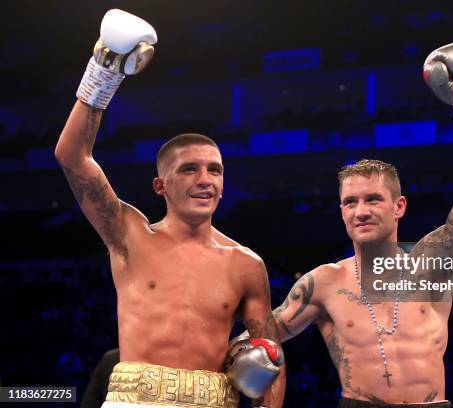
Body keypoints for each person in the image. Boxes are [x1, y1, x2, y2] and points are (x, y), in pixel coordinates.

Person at [55, 9, 284, 408]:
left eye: (215, 170)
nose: (205, 179)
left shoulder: (246, 264)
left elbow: (270, 356)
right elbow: (73, 156)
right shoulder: (129, 235)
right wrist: (104, 70)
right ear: (161, 185)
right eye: (190, 169)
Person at [269, 42, 453, 407]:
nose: (360, 211)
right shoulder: (322, 283)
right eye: (350, 202)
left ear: (399, 206)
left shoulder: (433, 262)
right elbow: (259, 338)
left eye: (372, 199)